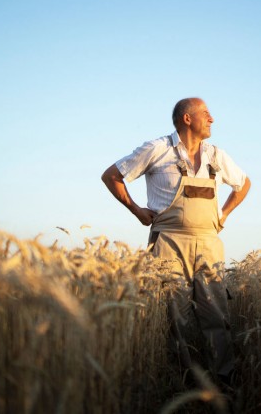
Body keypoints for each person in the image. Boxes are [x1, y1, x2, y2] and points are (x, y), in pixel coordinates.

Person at [101, 97, 251, 384]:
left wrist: (224, 215)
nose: (212, 119)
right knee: (175, 318)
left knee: (216, 316)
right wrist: (137, 211)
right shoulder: (157, 149)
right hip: (168, 243)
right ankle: (181, 384)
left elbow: (244, 184)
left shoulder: (216, 155)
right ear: (187, 118)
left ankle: (223, 382)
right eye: (206, 114)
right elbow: (112, 176)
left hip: (209, 243)